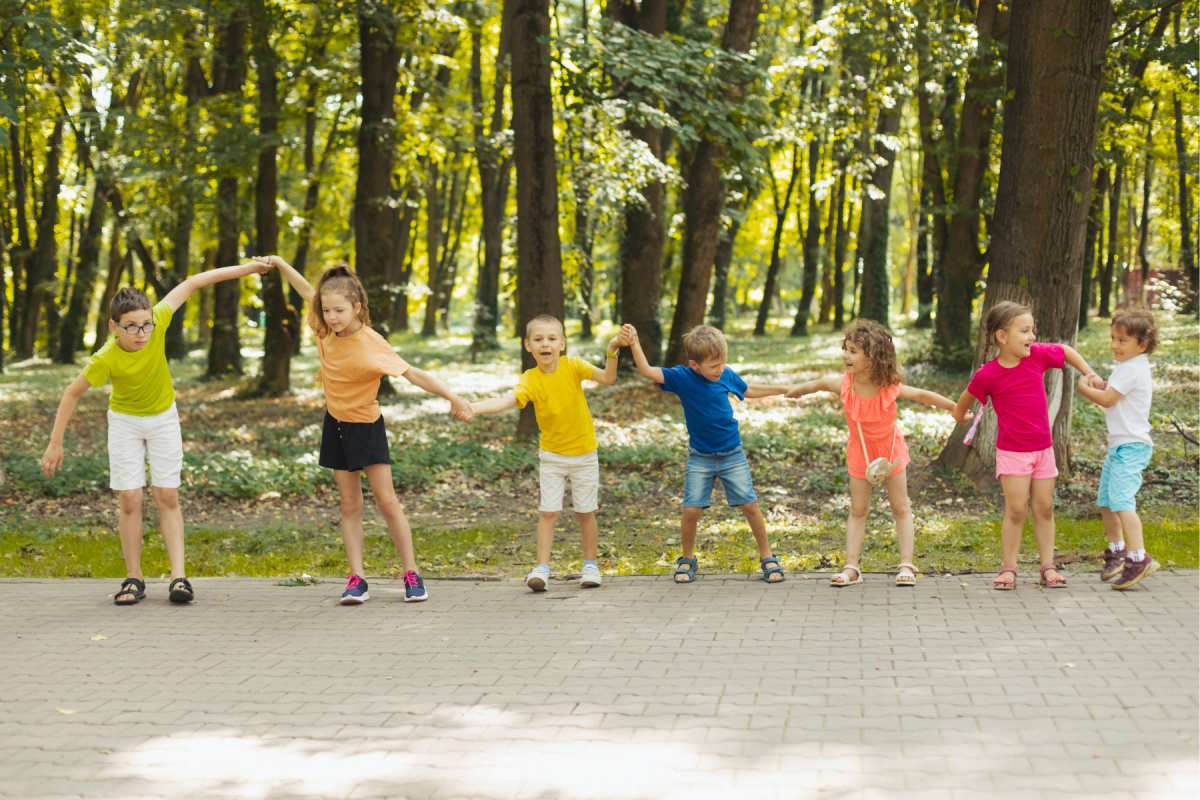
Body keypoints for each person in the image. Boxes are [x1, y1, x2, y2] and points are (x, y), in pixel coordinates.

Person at [40, 261, 274, 605]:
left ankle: (179, 578)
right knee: (130, 498)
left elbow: (195, 280)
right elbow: (72, 393)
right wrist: (55, 442)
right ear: (114, 327)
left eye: (145, 325)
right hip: (125, 422)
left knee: (168, 496)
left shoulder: (159, 320)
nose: (141, 333)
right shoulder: (105, 358)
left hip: (164, 417)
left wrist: (250, 268)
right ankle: (134, 578)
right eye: (131, 327)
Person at [266, 256, 472, 604]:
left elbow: (414, 374)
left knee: (386, 501)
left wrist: (453, 397)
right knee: (350, 504)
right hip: (336, 425)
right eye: (327, 310)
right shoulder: (323, 330)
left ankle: (411, 574)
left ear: (357, 308)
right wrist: (280, 263)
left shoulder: (372, 342)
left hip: (367, 427)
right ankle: (357, 578)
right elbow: (305, 290)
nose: (331, 317)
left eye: (339, 311)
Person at [786, 319, 969, 587]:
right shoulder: (844, 384)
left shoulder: (889, 388)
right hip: (860, 452)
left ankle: (906, 564)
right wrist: (797, 391)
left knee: (900, 506)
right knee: (859, 509)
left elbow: (923, 396)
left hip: (890, 450)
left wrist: (957, 409)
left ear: (872, 358)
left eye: (853, 351)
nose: (845, 355)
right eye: (846, 349)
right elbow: (819, 384)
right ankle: (852, 568)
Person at [469, 315, 629, 591]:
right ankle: (541, 569)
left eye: (552, 339)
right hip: (552, 457)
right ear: (528, 345)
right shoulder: (530, 379)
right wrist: (473, 407)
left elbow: (609, 377)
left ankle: (590, 566)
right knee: (549, 513)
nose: (546, 344)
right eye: (539, 339)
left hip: (584, 455)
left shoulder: (573, 366)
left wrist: (612, 348)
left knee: (585, 512)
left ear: (562, 344)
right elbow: (505, 400)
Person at [952, 301, 1102, 590]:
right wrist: (961, 417)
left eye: (1032, 330)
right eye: (1025, 330)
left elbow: (1067, 351)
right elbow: (966, 397)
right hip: (1012, 453)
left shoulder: (1037, 356)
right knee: (1017, 510)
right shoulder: (988, 374)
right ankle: (1009, 568)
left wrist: (1089, 372)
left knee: (1044, 508)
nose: (1032, 336)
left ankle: (1048, 567)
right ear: (1002, 336)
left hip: (1043, 451)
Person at [625, 323, 791, 586]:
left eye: (723, 363)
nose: (720, 369)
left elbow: (747, 390)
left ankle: (768, 556)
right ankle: (687, 559)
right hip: (700, 456)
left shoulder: (725, 374)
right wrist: (634, 341)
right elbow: (646, 371)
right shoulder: (681, 377)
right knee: (691, 511)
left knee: (750, 505)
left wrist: (783, 390)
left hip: (731, 453)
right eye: (714, 365)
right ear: (694, 364)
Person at [1075, 308, 1160, 590]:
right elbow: (1114, 390)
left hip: (1130, 447)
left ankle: (1139, 558)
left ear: (1142, 344)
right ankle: (1118, 552)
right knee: (1107, 501)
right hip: (1120, 446)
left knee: (1122, 502)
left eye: (1122, 340)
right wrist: (1100, 383)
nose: (1114, 344)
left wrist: (1085, 388)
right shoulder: (1131, 367)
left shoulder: (1132, 368)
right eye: (1113, 337)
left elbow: (1109, 400)